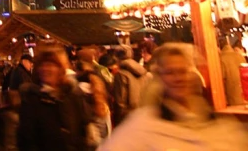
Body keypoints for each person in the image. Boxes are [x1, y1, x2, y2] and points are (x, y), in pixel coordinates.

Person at [99, 43, 248, 151]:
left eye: (182, 71)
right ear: (160, 78)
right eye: (170, 72)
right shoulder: (143, 125)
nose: (178, 78)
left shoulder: (218, 124)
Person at [18, 47, 90, 151]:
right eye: (43, 65)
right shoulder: (32, 100)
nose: (46, 69)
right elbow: (26, 141)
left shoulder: (73, 96)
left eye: (51, 65)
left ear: (61, 69)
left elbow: (82, 134)